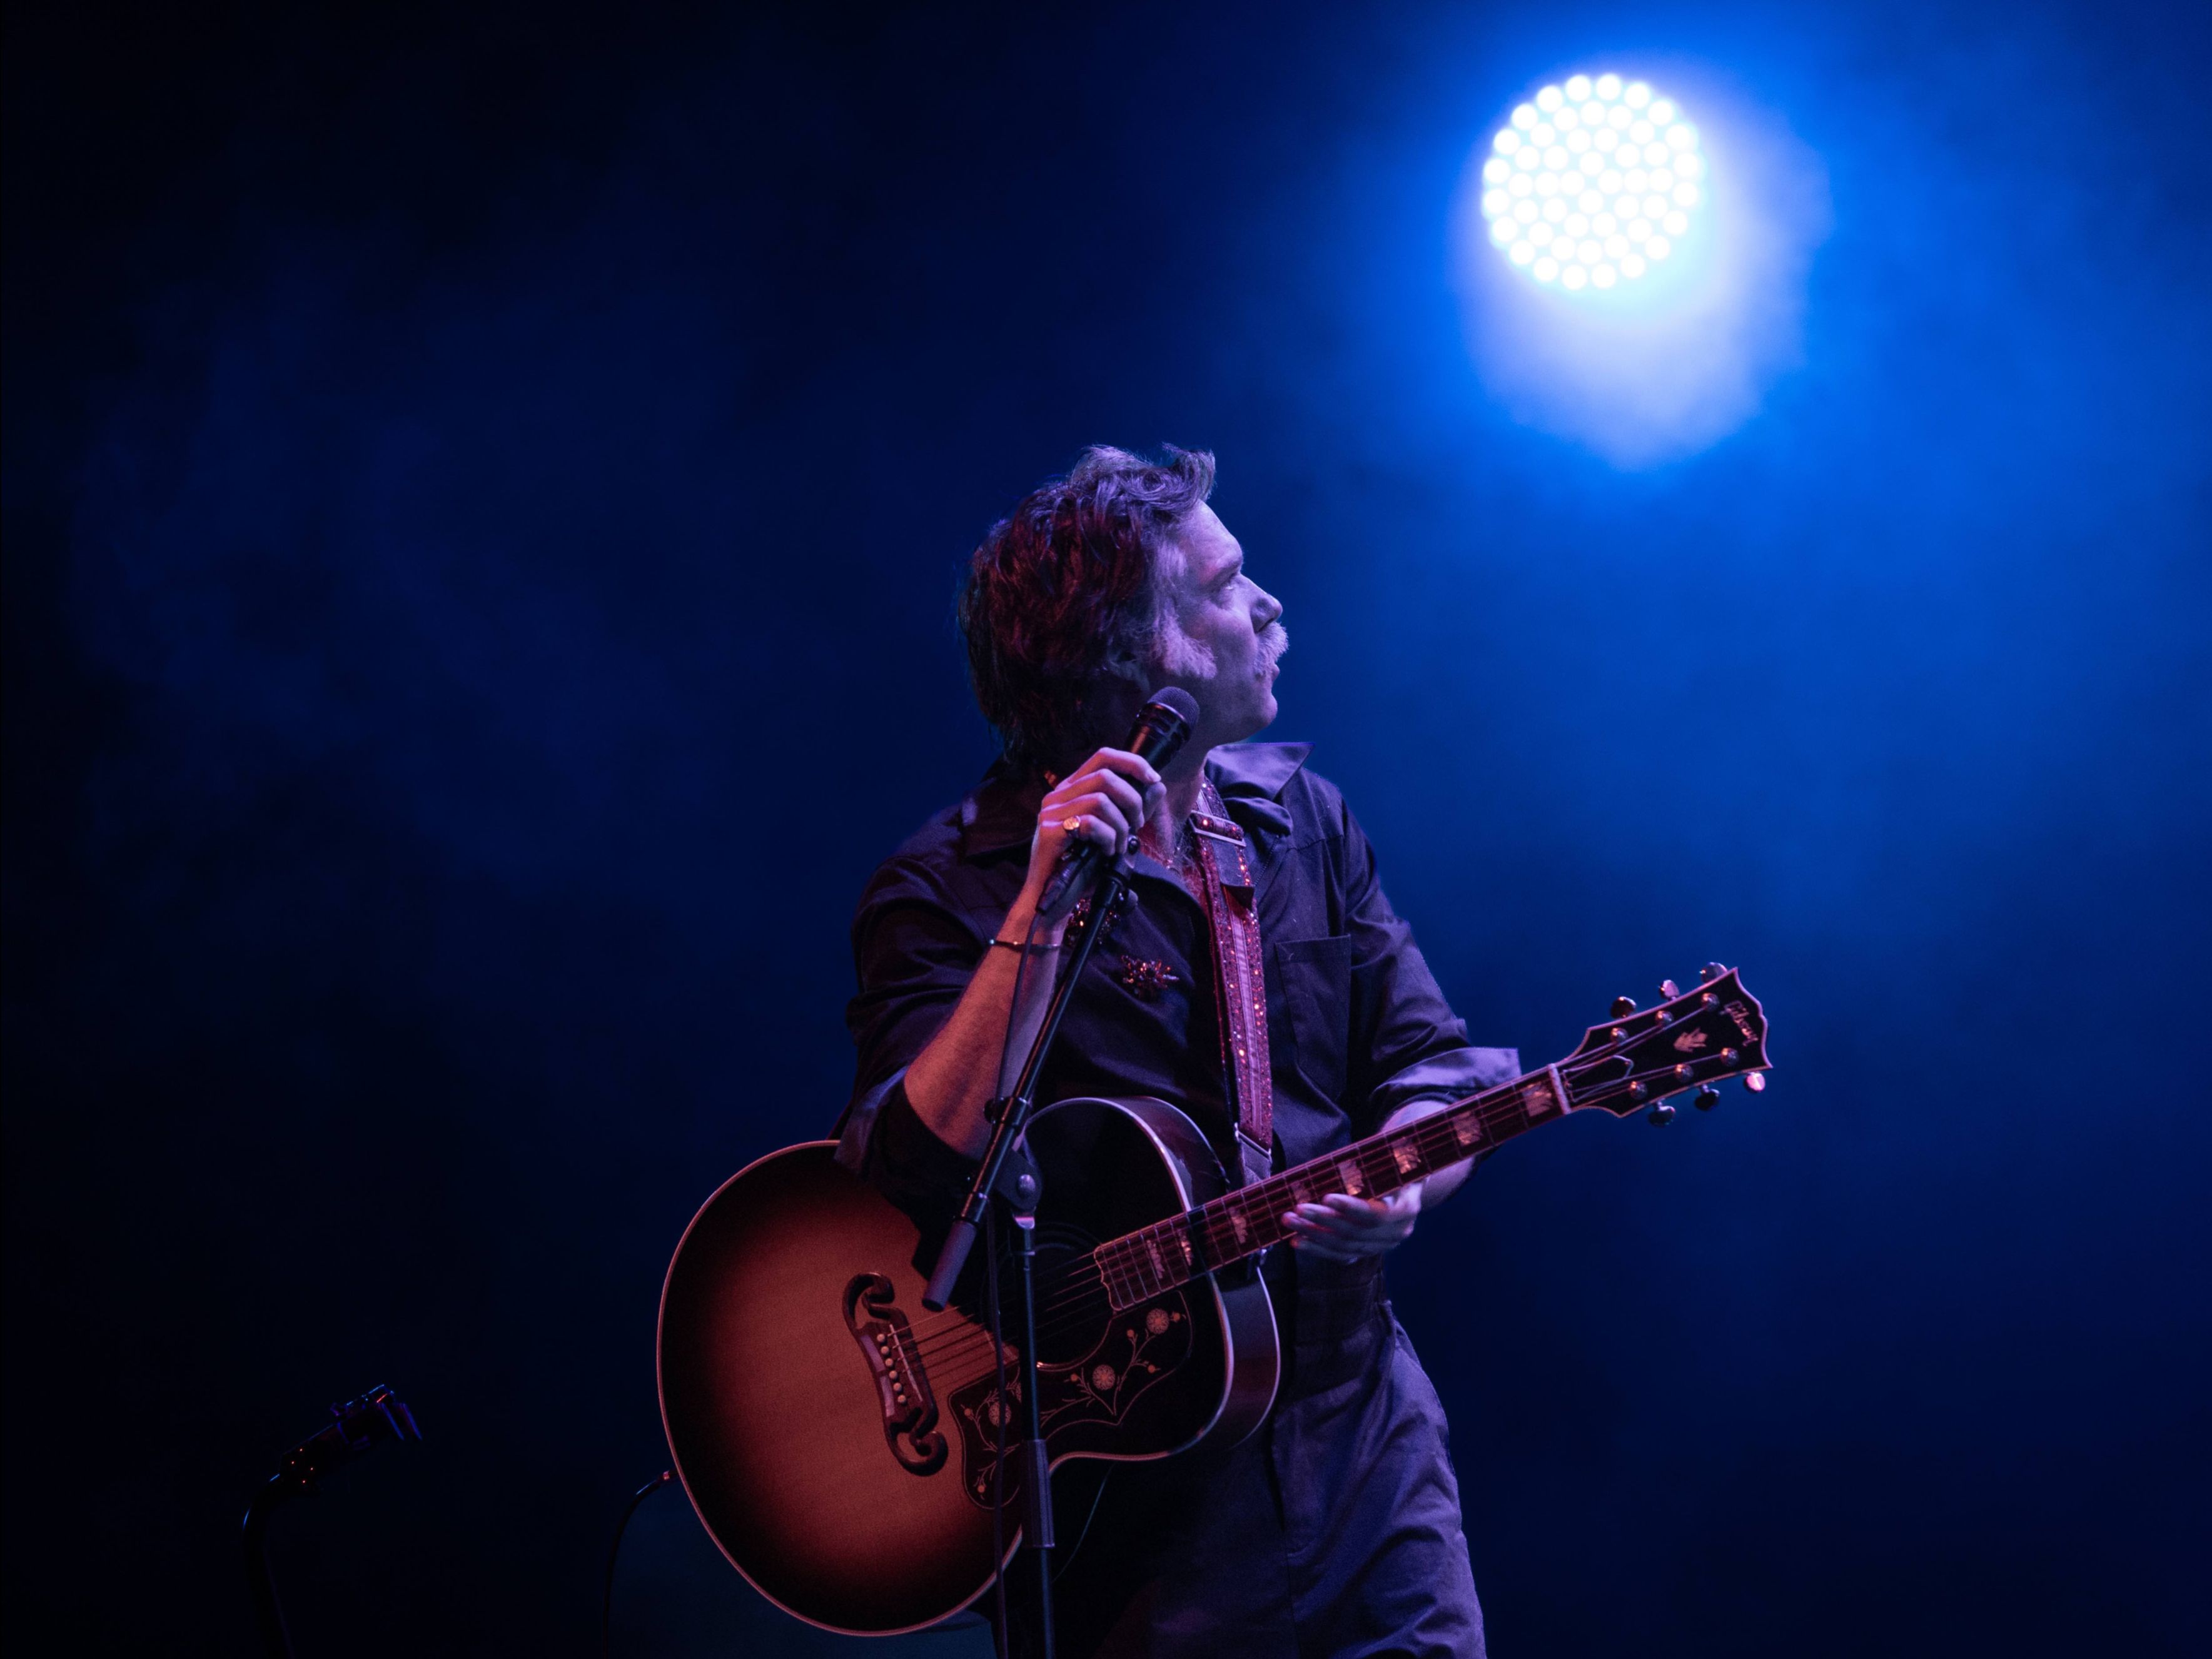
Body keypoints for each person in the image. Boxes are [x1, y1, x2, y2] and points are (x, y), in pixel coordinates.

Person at [836, 445, 1517, 1658]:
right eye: (1223, 583)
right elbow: (907, 1163)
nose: (1268, 604)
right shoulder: (945, 885)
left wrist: (1404, 1184)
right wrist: (1039, 908)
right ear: (1122, 653)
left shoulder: (1302, 823)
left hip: (1357, 1424)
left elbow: (1428, 1063)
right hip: (1132, 1487)